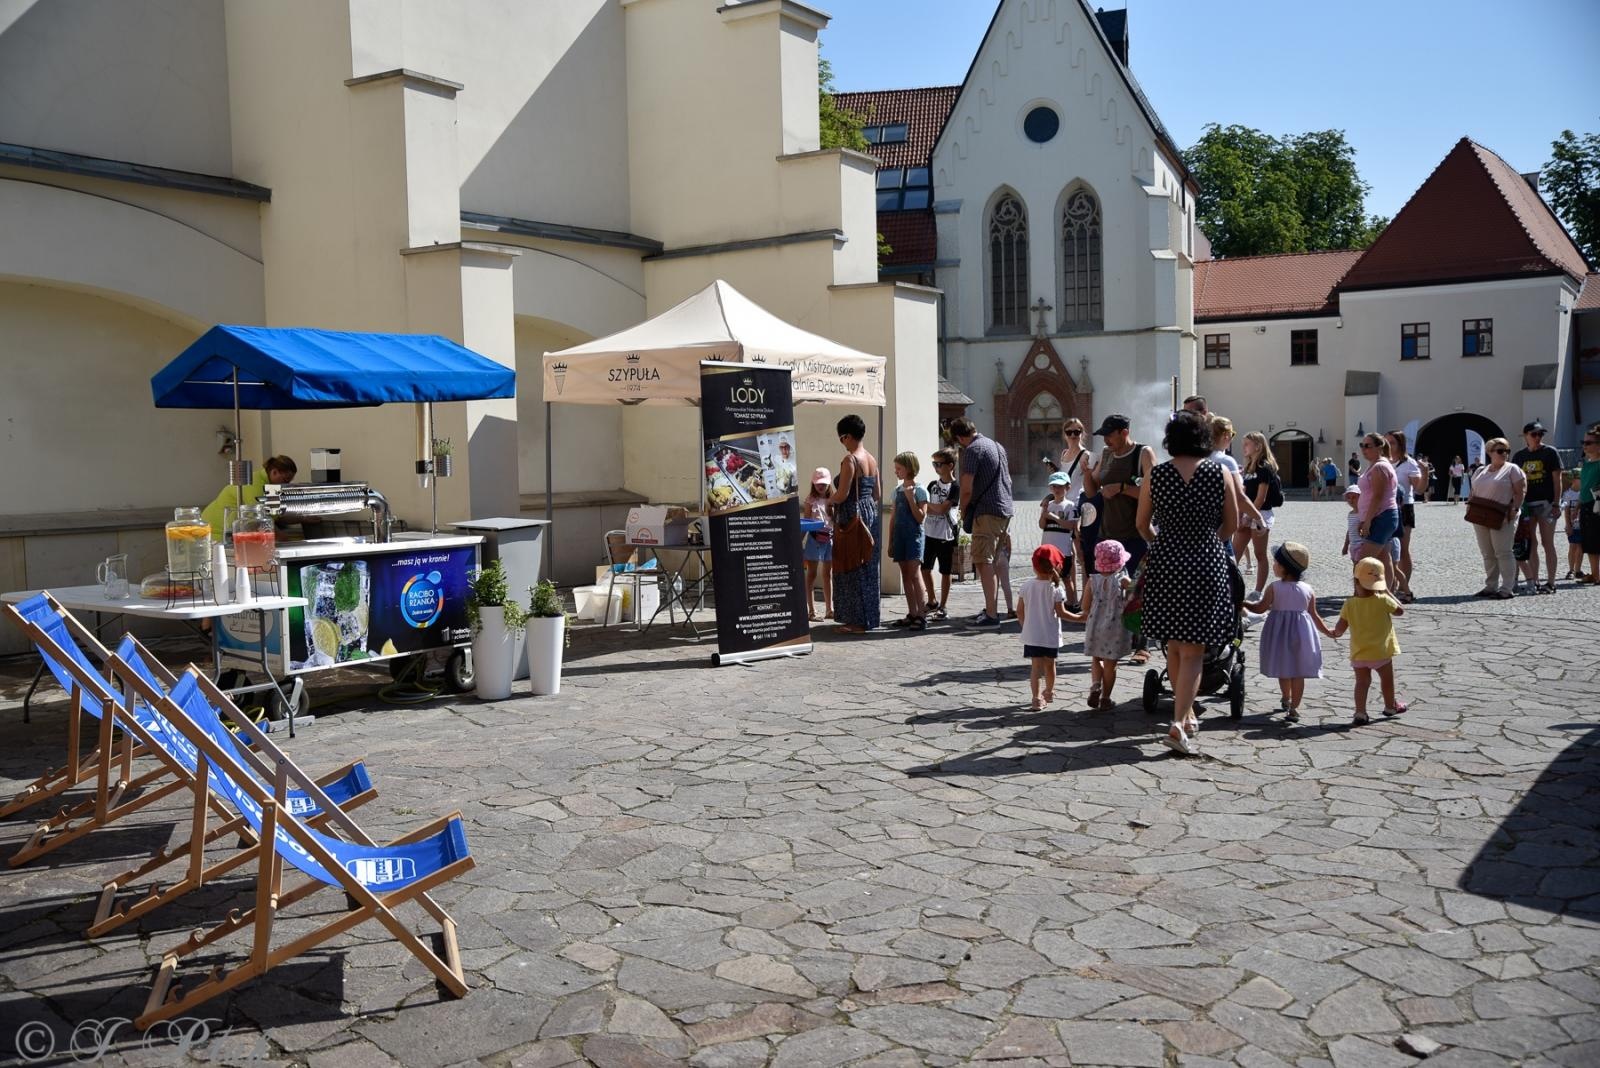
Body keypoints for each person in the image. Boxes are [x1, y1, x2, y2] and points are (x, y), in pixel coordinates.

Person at [1135, 410, 1238, 756]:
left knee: (1175, 644)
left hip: (1167, 562)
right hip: (1206, 562)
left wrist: (1164, 544)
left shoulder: (1156, 475)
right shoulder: (1220, 472)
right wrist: (1208, 543)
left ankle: (1185, 714)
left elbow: (1141, 525)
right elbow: (1232, 524)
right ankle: (1179, 723)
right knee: (1194, 650)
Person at [1084, 413, 1155, 664]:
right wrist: (1086, 473)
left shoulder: (1143, 454)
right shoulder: (1106, 454)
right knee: (1109, 592)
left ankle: (1142, 645)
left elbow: (1154, 491)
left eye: (1109, 435)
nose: (1105, 440)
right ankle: (1113, 640)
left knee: (1137, 590)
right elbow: (1092, 491)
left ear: (1124, 432)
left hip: (1135, 534)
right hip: (1107, 535)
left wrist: (1123, 488)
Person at [1248, 542, 1335, 724]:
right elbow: (1314, 615)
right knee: (1298, 672)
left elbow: (1260, 608)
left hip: (1279, 634)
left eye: (1275, 563)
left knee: (1284, 668)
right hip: (1302, 634)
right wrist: (1328, 631)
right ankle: (1294, 708)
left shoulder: (1274, 587)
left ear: (1283, 567)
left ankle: (1286, 697)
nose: (1273, 565)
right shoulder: (1308, 589)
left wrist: (1243, 603)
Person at [1328, 557, 1408, 725]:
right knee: (1387, 680)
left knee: (1362, 683)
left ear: (1356, 581)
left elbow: (1340, 629)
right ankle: (1390, 706)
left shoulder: (1349, 604)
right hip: (1381, 652)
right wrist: (1387, 593)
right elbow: (1400, 611)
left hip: (1359, 653)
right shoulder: (1383, 600)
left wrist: (1333, 632)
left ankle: (1360, 712)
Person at [952, 416, 1013, 627]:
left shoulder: (972, 450)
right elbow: (1008, 479)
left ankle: (992, 615)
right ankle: (991, 608)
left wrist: (962, 510)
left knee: (982, 561)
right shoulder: (996, 445)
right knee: (992, 562)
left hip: (986, 511)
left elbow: (966, 488)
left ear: (960, 438)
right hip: (1004, 510)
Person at [1066, 539, 1135, 711]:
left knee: (1096, 658)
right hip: (1116, 628)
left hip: (1095, 625)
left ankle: (1096, 684)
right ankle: (1105, 698)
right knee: (1111, 664)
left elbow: (1085, 607)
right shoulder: (1124, 580)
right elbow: (1135, 600)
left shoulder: (1093, 580)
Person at [828, 414, 881, 633]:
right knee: (867, 566)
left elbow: (842, 494)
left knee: (850, 566)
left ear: (848, 436)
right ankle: (869, 618)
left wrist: (829, 501)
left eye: (841, 438)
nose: (842, 442)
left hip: (852, 515)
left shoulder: (850, 460)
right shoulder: (871, 459)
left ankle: (855, 621)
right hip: (870, 514)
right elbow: (877, 494)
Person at [1466, 436, 1527, 599]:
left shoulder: (1512, 469)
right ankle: (1491, 586)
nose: (1504, 453)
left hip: (1503, 515)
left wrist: (1515, 508)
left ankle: (1507, 588)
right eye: (1500, 451)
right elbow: (1473, 491)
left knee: (1503, 552)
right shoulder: (1480, 470)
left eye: (1507, 450)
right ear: (1490, 452)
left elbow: (1520, 491)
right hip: (1480, 515)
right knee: (1487, 553)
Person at [1016, 544, 1075, 710]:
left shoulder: (1026, 586)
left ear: (1034, 566)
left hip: (1032, 636)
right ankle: (1049, 692)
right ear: (1057, 566)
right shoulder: (1056, 589)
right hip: (1050, 635)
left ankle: (1036, 698)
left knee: (1035, 668)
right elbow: (1061, 613)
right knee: (1050, 665)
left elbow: (1019, 611)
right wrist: (1080, 618)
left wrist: (1026, 626)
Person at [1511, 420, 1563, 594]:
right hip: (1527, 504)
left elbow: (1557, 480)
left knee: (1548, 543)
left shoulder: (1550, 452)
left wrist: (1556, 503)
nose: (1538, 437)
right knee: (1530, 543)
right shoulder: (1519, 456)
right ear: (1526, 436)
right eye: (1534, 434)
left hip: (1546, 503)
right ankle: (1534, 581)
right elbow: (1515, 482)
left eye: (1540, 434)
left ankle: (1551, 582)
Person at [1043, 416, 1094, 589]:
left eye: (1077, 432)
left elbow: (1088, 482)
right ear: (1064, 434)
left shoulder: (1086, 455)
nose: (1073, 435)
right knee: (1067, 552)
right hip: (1062, 504)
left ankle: (1085, 594)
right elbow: (1065, 479)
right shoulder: (1064, 454)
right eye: (1069, 432)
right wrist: (1055, 472)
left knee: (1081, 553)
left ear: (1082, 434)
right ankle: (1071, 593)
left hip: (1077, 506)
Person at [201, 455, 297, 538]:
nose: (286, 484)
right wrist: (283, 538)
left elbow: (276, 516)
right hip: (215, 530)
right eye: (285, 480)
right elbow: (258, 520)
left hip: (228, 529)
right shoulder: (254, 483)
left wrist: (302, 518)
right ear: (274, 472)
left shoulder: (271, 487)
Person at [1236, 431, 1281, 598]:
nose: (1244, 447)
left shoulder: (1265, 468)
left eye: (1247, 444)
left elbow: (1260, 498)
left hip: (1260, 514)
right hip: (1246, 513)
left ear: (1258, 446)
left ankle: (1258, 591)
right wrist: (1240, 515)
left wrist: (1249, 516)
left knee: (1259, 554)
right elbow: (1244, 494)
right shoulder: (1248, 467)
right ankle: (1229, 588)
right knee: (1235, 553)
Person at [888, 451, 930, 631]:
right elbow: (893, 518)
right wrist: (890, 541)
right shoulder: (896, 491)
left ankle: (922, 614)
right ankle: (912, 612)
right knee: (905, 575)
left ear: (909, 468)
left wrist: (911, 498)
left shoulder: (920, 490)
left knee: (914, 574)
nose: (896, 471)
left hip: (914, 537)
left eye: (899, 468)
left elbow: (921, 518)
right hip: (900, 537)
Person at [1385, 430, 1428, 603]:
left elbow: (1419, 489)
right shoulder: (1383, 461)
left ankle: (1404, 587)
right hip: (1385, 507)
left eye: (1392, 442)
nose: (1389, 445)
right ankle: (1390, 584)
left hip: (1404, 507)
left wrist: (1425, 474)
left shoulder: (1409, 463)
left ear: (1400, 444)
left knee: (1402, 549)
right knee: (1385, 548)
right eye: (1386, 442)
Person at [1354, 433, 1400, 592]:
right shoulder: (1375, 465)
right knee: (1383, 557)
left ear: (1379, 447)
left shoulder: (1380, 467)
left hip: (1381, 516)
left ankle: (1364, 596)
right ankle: (1386, 594)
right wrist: (1363, 518)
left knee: (1363, 562)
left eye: (1368, 446)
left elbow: (1378, 496)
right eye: (1362, 445)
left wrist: (1367, 521)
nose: (1364, 449)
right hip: (1381, 516)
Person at [921, 450, 959, 620]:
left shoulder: (955, 487)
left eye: (939, 464)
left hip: (946, 535)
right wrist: (931, 507)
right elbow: (926, 508)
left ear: (950, 466)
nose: (936, 467)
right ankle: (932, 600)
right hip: (929, 533)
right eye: (934, 464)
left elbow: (943, 509)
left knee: (945, 570)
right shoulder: (932, 485)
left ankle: (943, 606)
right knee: (925, 568)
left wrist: (930, 506)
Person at [1039, 471, 1079, 606]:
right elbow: (1042, 525)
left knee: (1066, 578)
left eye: (1060, 486)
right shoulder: (1049, 505)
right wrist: (1044, 513)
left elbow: (1071, 525)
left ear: (1067, 487)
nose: (1057, 489)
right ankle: (1049, 602)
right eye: (1054, 486)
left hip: (1063, 550)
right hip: (1048, 549)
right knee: (1047, 578)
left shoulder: (1070, 506)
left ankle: (1071, 603)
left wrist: (1053, 517)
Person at [801, 467, 834, 622]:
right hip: (814, 540)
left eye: (824, 484)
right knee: (811, 574)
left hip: (829, 539)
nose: (821, 486)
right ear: (813, 483)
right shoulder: (810, 500)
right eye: (818, 483)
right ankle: (811, 611)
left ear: (829, 484)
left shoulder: (832, 500)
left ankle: (829, 609)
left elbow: (835, 521)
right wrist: (799, 540)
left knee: (828, 574)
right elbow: (806, 522)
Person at [1575, 428, 1600, 584]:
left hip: (1597, 505)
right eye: (1583, 442)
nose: (1584, 445)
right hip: (1586, 506)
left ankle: (1597, 575)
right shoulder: (1586, 463)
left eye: (1588, 443)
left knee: (1596, 540)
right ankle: (1595, 574)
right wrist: (1577, 506)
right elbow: (1583, 487)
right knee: (1590, 542)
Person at [1561, 470, 1585, 580]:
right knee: (1573, 547)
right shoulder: (1568, 494)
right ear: (1574, 479)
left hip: (1583, 525)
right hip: (1573, 526)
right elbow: (1566, 512)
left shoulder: (1584, 492)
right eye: (1580, 478)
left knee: (1581, 547)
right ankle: (1571, 570)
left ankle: (1578, 570)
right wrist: (1568, 525)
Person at [993, 530, 1016, 618]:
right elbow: (1009, 547)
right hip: (1003, 556)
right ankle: (1010, 609)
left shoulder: (991, 527)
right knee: (1006, 585)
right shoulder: (1005, 529)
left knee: (993, 585)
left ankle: (993, 610)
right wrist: (1008, 559)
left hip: (992, 556)